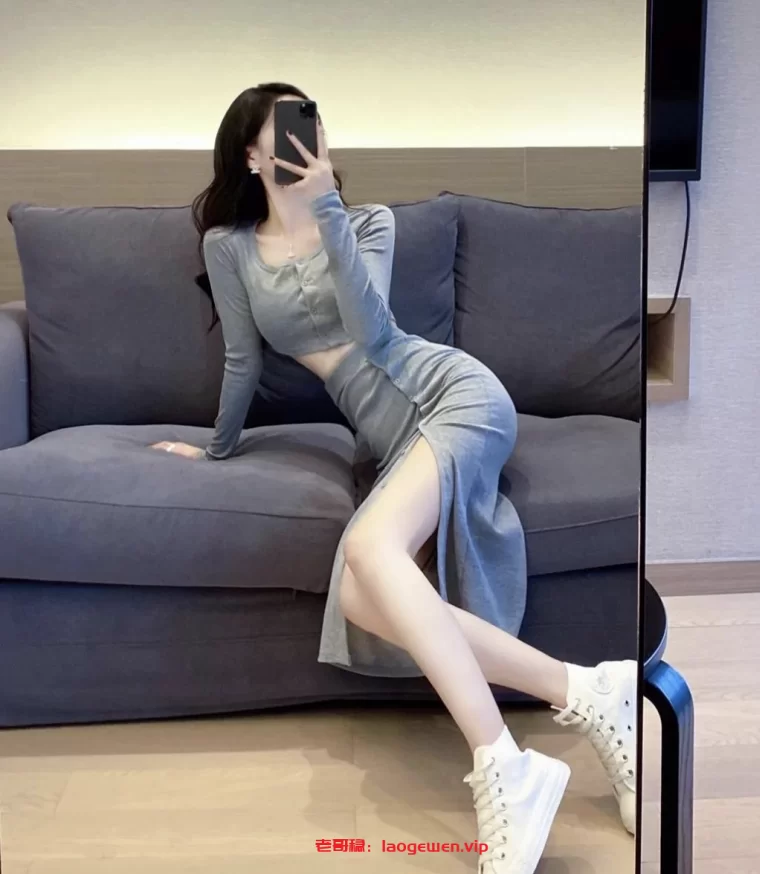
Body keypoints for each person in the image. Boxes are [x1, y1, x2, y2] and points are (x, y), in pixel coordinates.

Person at [151, 82, 637, 873]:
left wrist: (326, 208)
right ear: (251, 153)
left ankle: (504, 763)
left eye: (313, 127)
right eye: (286, 131)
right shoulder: (229, 248)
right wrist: (216, 449)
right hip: (395, 434)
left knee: (368, 549)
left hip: (454, 395)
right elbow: (242, 360)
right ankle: (589, 693)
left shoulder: (368, 221)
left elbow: (373, 330)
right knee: (357, 595)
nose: (306, 141)